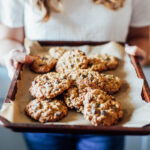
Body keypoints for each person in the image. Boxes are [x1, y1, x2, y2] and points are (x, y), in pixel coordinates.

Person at [0, 0, 149, 150]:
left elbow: (142, 36)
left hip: (105, 129)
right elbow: (9, 38)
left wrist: (139, 56)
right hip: (40, 127)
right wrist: (12, 56)